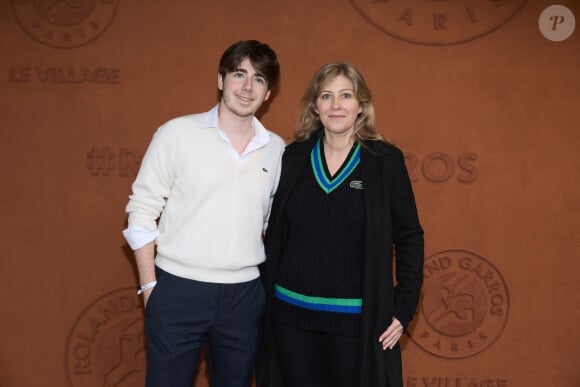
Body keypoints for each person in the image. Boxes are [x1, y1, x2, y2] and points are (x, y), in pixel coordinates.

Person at [122, 40, 284, 387]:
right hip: (177, 290)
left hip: (243, 297)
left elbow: (273, 223)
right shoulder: (176, 134)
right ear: (221, 79)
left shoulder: (277, 149)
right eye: (239, 74)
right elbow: (141, 210)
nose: (247, 87)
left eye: (258, 79)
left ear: (268, 93)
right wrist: (150, 286)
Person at [256, 62, 424, 387]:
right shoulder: (293, 158)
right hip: (290, 320)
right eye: (327, 96)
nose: (336, 105)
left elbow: (409, 237)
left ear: (361, 106)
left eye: (346, 95)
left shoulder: (384, 162)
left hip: (356, 324)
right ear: (315, 106)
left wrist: (403, 307)